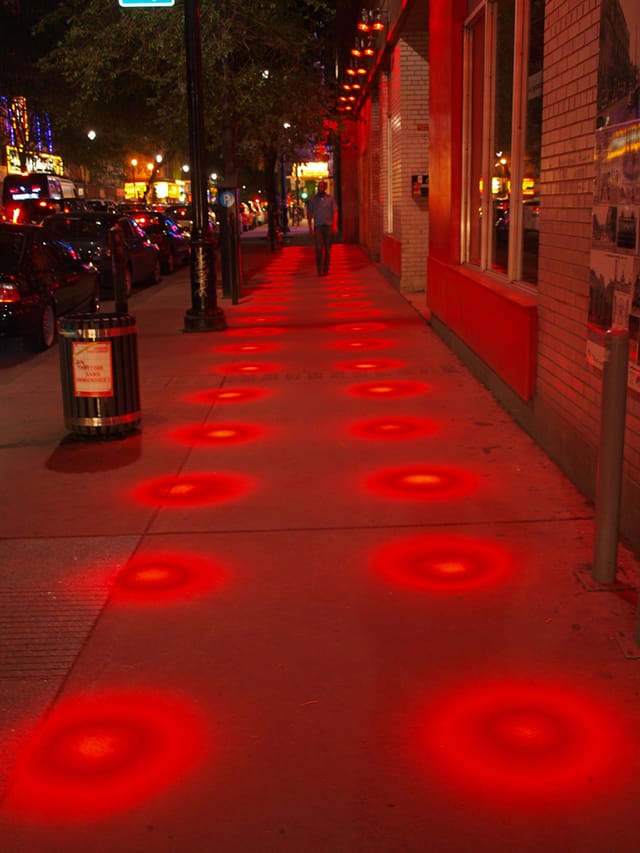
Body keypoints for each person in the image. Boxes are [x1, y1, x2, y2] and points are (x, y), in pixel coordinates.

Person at [307, 180, 338, 276]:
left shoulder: (330, 199)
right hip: (318, 227)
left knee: (328, 250)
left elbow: (335, 212)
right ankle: (319, 270)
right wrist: (310, 228)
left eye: (322, 186)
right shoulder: (313, 200)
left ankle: (326, 270)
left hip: (328, 226)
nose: (320, 188)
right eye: (319, 186)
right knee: (319, 249)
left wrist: (334, 225)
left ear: (325, 188)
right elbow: (309, 214)